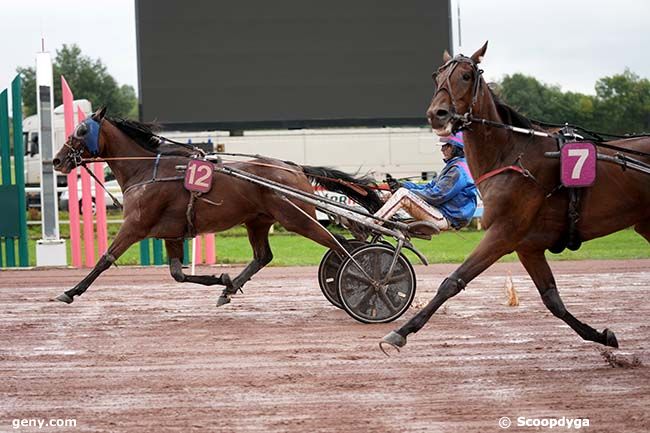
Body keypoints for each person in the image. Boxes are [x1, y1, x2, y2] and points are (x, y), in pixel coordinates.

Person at [371, 131, 477, 234]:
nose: (441, 149)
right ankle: (369, 221)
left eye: (444, 146)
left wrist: (406, 190)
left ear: (454, 147)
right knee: (391, 194)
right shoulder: (453, 166)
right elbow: (429, 186)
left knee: (402, 195)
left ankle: (371, 224)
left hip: (446, 217)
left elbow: (436, 195)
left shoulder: (458, 170)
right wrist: (402, 185)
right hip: (441, 212)